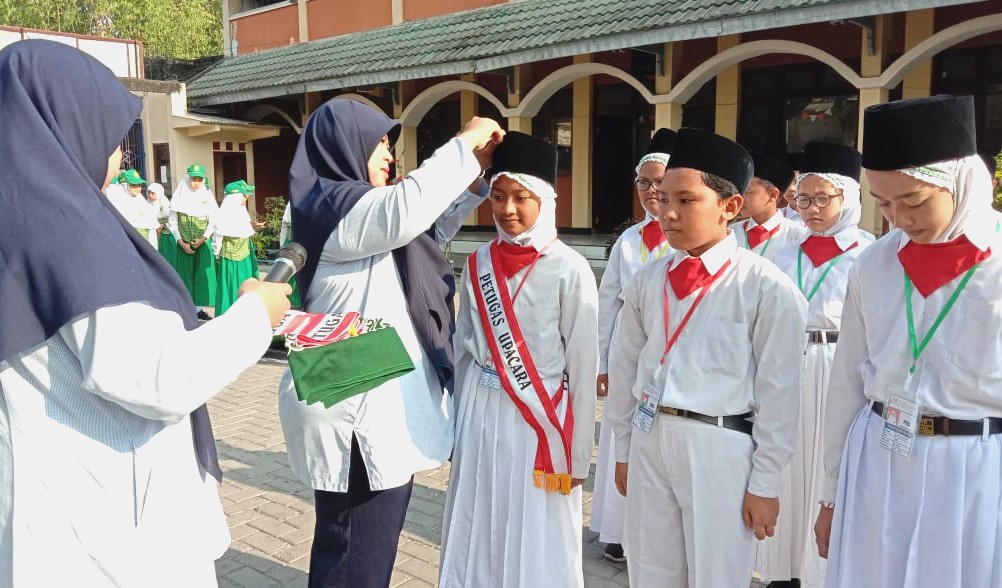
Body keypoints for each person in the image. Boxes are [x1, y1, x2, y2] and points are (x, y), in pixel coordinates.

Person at [0, 39, 291, 586]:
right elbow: (158, 376)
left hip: (48, 515)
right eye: (114, 138)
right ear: (66, 125)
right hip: (103, 531)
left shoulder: (17, 223)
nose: (118, 157)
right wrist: (256, 313)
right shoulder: (66, 234)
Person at [277, 99, 504, 588]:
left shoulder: (352, 207)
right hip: (354, 395)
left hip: (362, 382)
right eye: (379, 142)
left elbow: (423, 232)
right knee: (356, 553)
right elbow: (406, 213)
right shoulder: (331, 204)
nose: (390, 154)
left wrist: (472, 186)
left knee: (356, 546)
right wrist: (463, 142)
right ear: (344, 144)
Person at [815, 94, 1002, 588]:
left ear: (959, 184)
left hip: (976, 469)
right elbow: (846, 385)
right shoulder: (872, 264)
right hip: (879, 458)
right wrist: (831, 494)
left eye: (914, 201)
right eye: (883, 203)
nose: (897, 219)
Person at [607, 127, 808, 586]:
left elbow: (780, 395)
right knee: (650, 572)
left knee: (716, 575)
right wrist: (622, 448)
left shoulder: (766, 288)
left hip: (720, 447)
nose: (667, 212)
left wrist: (766, 482)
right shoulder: (649, 279)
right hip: (650, 436)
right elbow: (625, 368)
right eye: (662, 197)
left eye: (686, 200)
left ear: (730, 207)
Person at [439, 132, 598, 587]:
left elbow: (583, 368)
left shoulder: (570, 267)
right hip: (480, 409)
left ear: (546, 199)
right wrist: (455, 426)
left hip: (539, 419)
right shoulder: (477, 262)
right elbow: (463, 346)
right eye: (498, 196)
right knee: (480, 512)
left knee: (534, 522)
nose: (508, 209)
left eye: (521, 197)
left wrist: (578, 456)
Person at [759, 141, 870, 588]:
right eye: (803, 198)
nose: (811, 209)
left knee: (829, 469)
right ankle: (781, 571)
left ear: (848, 197)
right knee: (786, 467)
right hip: (789, 363)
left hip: (839, 364)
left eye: (823, 198)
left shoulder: (868, 252)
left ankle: (823, 573)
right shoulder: (784, 250)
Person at [592, 127, 675, 563]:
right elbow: (608, 302)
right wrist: (602, 362)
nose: (652, 191)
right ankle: (618, 530)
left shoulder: (687, 239)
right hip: (629, 347)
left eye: (661, 181)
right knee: (621, 436)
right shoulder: (628, 240)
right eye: (644, 182)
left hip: (669, 349)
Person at [731, 150, 806, 262]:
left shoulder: (796, 235)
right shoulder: (732, 232)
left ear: (773, 195)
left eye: (748, 192)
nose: (740, 198)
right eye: (740, 191)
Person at [169, 163, 218, 308]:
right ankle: (187, 308)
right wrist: (180, 241)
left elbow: (213, 219)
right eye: (193, 179)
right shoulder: (179, 196)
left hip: (202, 242)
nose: (196, 183)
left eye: (199, 179)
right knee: (185, 277)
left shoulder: (207, 195)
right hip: (183, 243)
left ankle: (200, 308)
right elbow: (172, 220)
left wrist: (204, 238)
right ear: (187, 178)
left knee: (202, 276)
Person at [214, 180, 260, 317]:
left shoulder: (241, 212)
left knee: (245, 283)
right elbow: (218, 235)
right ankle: (228, 314)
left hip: (245, 255)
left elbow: (243, 228)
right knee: (230, 285)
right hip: (230, 257)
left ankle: (245, 312)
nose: (246, 198)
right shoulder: (224, 215)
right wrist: (217, 253)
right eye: (244, 195)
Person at [108, 168, 161, 250]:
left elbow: (151, 231)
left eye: (139, 185)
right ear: (124, 185)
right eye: (134, 185)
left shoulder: (143, 204)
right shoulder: (117, 204)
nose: (138, 188)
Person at [148, 182, 177, 265]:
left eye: (153, 193)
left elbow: (171, 218)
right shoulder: (146, 204)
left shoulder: (165, 204)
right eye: (149, 193)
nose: (150, 195)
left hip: (166, 236)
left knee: (168, 256)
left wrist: (162, 225)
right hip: (153, 234)